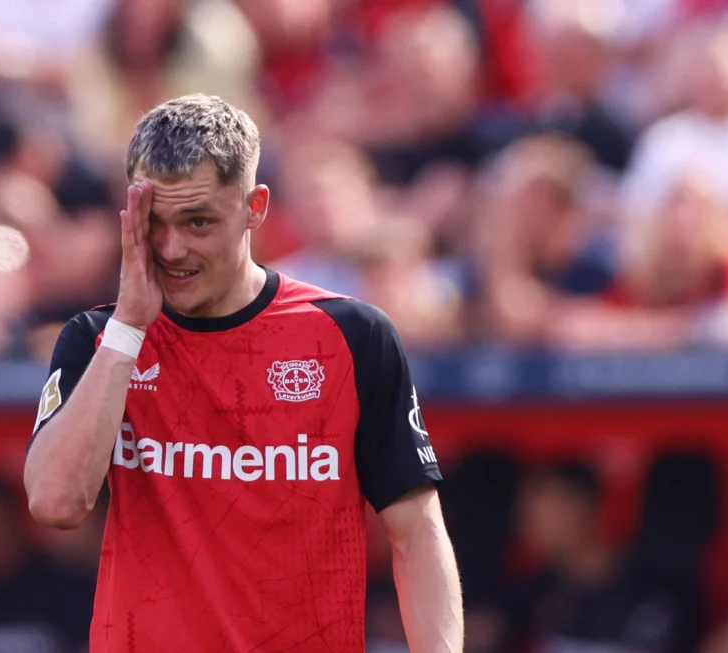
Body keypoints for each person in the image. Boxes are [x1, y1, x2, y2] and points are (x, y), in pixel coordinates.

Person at [23, 94, 463, 652]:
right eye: (154, 223)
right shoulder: (98, 340)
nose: (173, 248)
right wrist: (131, 326)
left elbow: (418, 532)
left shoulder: (353, 338)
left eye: (198, 221)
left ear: (255, 207)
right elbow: (56, 503)